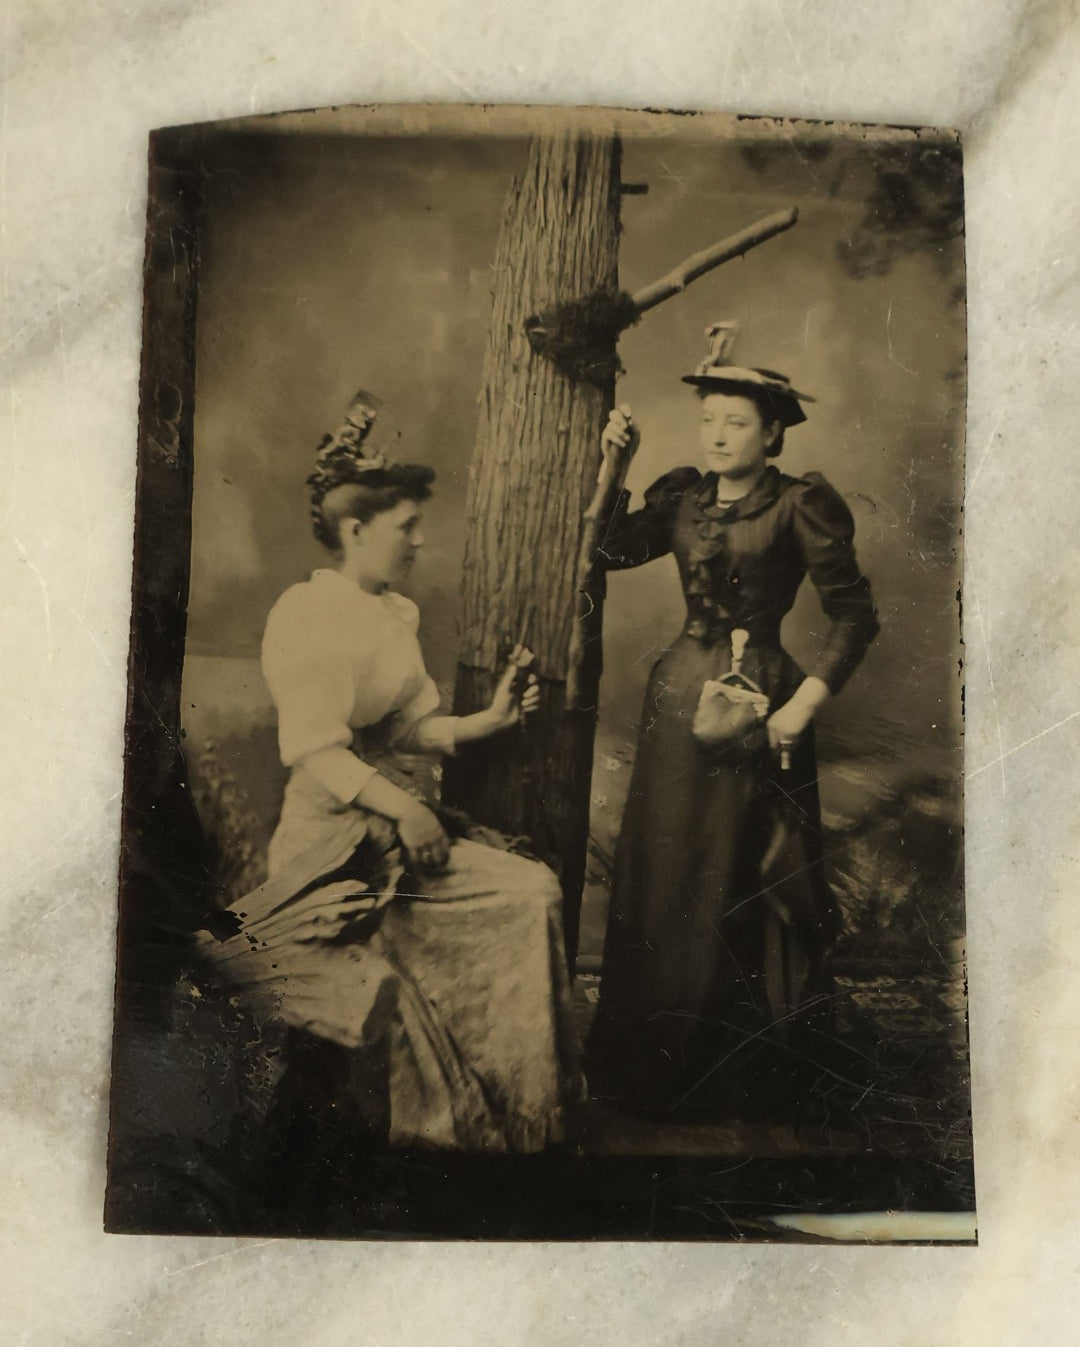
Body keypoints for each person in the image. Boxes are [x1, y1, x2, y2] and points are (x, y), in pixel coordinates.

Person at [198, 397, 581, 1153]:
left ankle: (516, 1110)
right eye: (406, 526)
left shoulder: (390, 613)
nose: (419, 539)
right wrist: (406, 812)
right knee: (528, 893)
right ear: (355, 529)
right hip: (331, 849)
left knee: (532, 891)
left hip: (390, 830)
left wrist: (490, 720)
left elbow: (407, 728)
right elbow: (317, 751)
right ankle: (442, 1122)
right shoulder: (307, 613)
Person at [585, 323, 880, 1119]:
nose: (717, 435)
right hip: (680, 695)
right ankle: (652, 1066)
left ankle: (737, 1075)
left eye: (737, 422)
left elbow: (855, 614)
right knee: (668, 870)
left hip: (764, 704)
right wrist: (616, 464)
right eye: (709, 419)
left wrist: (802, 705)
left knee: (745, 874)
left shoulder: (798, 505)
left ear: (772, 433)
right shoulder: (683, 497)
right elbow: (607, 551)